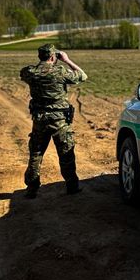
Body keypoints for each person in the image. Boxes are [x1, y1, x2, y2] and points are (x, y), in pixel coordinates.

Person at [20, 44, 88, 198]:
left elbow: (23, 73)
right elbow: (83, 76)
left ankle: (32, 189)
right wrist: (67, 60)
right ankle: (72, 186)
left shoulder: (30, 72)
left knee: (36, 154)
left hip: (40, 120)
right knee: (66, 154)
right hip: (60, 121)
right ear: (53, 56)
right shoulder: (61, 71)